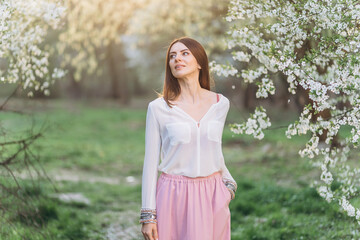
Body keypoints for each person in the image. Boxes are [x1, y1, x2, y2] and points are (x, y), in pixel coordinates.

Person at [139, 37, 237, 240]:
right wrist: (148, 215)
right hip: (173, 195)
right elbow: (150, 163)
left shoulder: (221, 104)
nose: (177, 59)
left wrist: (227, 185)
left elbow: (213, 149)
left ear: (200, 62)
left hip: (213, 195)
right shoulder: (158, 108)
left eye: (185, 53)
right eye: (172, 56)